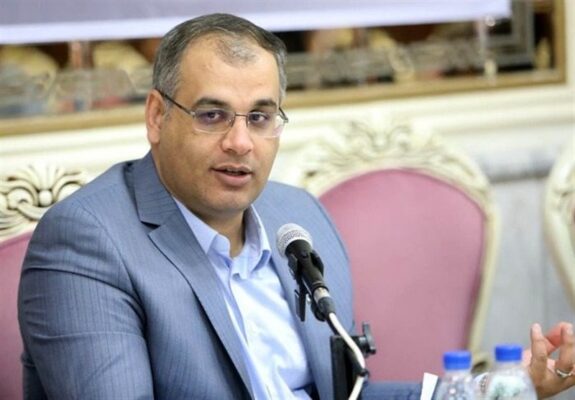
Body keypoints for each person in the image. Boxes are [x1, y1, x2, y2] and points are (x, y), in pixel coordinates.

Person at [17, 13, 575, 400]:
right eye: (212, 115)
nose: (241, 143)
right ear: (158, 117)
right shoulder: (89, 242)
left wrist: (496, 389)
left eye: (260, 117)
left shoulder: (298, 219)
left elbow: (348, 394)